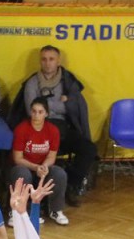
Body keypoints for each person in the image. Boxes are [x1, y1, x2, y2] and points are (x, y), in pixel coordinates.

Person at [18, 45, 99, 202]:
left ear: (58, 61)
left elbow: (74, 106)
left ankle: (71, 184)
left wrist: (45, 103)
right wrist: (62, 103)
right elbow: (31, 110)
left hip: (62, 128)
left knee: (89, 149)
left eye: (51, 59)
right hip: (40, 130)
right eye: (44, 59)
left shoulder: (68, 82)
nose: (47, 63)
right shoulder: (32, 83)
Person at [11, 98, 69, 225]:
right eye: (34, 111)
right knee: (22, 174)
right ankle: (17, 212)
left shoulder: (53, 130)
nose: (36, 115)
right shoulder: (21, 129)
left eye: (40, 112)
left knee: (59, 174)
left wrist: (44, 167)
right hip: (25, 166)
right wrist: (35, 167)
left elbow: (52, 156)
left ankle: (55, 210)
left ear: (46, 114)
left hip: (42, 167)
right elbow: (18, 158)